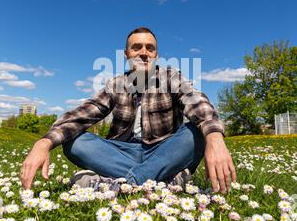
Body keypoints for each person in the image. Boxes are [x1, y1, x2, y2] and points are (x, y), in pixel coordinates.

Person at [21, 27, 236, 193]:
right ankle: (163, 180)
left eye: (150, 48)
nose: (144, 53)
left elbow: (196, 100)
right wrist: (44, 142)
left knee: (196, 133)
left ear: (156, 55)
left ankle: (115, 185)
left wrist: (215, 137)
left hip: (164, 151)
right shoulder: (116, 84)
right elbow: (84, 113)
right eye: (137, 47)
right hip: (121, 152)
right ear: (126, 54)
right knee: (73, 141)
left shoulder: (171, 77)